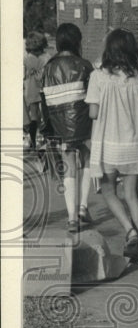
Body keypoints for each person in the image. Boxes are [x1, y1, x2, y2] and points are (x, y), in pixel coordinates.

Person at [86, 28, 138, 264]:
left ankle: (130, 230)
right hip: (135, 144)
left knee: (108, 191)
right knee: (132, 195)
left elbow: (93, 112)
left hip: (109, 144)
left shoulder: (98, 77)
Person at [40, 24, 95, 233]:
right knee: (88, 157)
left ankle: (72, 218)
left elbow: (43, 100)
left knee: (68, 165)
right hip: (82, 122)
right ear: (76, 42)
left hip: (59, 126)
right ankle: (83, 207)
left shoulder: (48, 68)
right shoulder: (84, 65)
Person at [23, 31, 49, 153]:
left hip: (30, 89)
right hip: (41, 89)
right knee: (43, 115)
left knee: (34, 116)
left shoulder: (27, 58)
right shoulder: (44, 58)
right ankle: (42, 140)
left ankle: (33, 142)